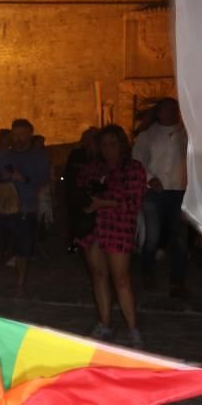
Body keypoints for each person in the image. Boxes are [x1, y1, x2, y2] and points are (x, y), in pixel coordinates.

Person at [77, 125, 147, 347]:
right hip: (94, 228)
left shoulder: (133, 169)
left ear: (122, 145)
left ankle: (133, 327)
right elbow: (79, 191)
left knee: (121, 279)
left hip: (118, 227)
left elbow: (133, 202)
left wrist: (104, 203)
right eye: (104, 145)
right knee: (98, 276)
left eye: (113, 144)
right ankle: (104, 323)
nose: (108, 149)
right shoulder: (93, 169)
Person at [0, 118, 50, 296]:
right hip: (4, 206)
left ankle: (20, 283)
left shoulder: (38, 156)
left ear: (29, 135)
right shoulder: (4, 155)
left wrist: (24, 179)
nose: (19, 138)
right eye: (16, 134)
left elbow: (43, 178)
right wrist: (2, 177)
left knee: (23, 248)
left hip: (26, 207)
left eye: (22, 134)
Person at [132, 98, 189, 296]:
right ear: (159, 112)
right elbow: (137, 160)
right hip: (154, 192)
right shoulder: (147, 135)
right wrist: (150, 178)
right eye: (168, 110)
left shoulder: (185, 134)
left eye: (175, 110)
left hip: (179, 191)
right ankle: (147, 272)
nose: (172, 113)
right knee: (152, 236)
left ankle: (178, 281)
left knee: (179, 238)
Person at [63, 127, 99, 252]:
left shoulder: (99, 155)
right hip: (76, 193)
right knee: (75, 219)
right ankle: (75, 243)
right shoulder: (76, 154)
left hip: (92, 193)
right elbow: (69, 172)